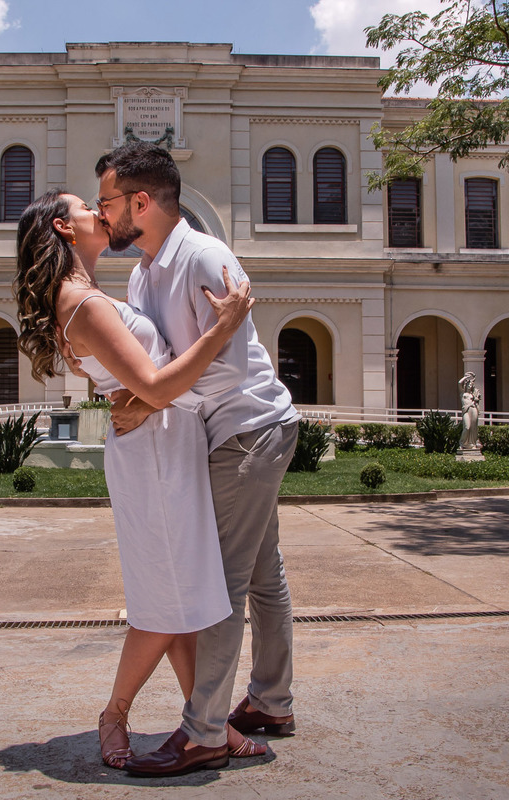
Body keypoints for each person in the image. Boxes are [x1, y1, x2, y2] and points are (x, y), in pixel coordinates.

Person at [12, 189, 268, 770]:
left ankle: (203, 719)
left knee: (186, 596)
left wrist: (134, 395)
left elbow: (139, 386)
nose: (101, 213)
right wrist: (223, 326)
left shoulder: (89, 297)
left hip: (164, 445)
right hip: (154, 453)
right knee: (165, 602)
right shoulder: (84, 303)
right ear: (65, 228)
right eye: (87, 207)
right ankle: (116, 714)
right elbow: (155, 388)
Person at [94, 142, 300, 778]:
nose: (103, 217)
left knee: (222, 585)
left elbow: (229, 372)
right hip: (231, 432)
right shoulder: (142, 273)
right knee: (264, 574)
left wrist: (148, 400)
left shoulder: (206, 257)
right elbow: (158, 366)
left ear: (141, 201)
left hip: (247, 429)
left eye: (107, 203)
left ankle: (205, 731)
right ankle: (271, 702)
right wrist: (139, 393)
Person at [458, 372, 480, 451]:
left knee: (473, 427)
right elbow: (459, 383)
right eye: (468, 385)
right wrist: (465, 377)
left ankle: (472, 443)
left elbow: (477, 400)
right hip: (466, 411)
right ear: (466, 385)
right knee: (467, 427)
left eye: (471, 385)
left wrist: (476, 399)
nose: (469, 386)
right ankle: (462, 443)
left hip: (473, 409)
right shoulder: (463, 393)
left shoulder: (473, 395)